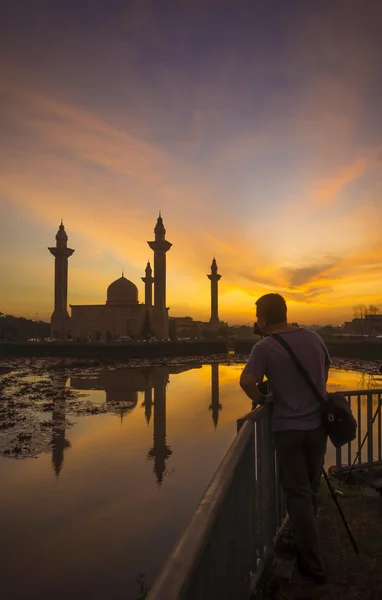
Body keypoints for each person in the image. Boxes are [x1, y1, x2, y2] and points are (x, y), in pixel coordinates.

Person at [240, 293, 330, 584]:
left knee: (298, 494)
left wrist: (264, 399)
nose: (256, 321)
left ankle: (312, 564)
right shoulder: (314, 338)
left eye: (257, 316)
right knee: (311, 486)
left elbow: (246, 381)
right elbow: (324, 369)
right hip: (318, 426)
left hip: (288, 429)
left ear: (263, 317)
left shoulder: (264, 346)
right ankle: (307, 540)